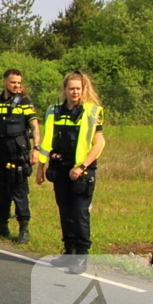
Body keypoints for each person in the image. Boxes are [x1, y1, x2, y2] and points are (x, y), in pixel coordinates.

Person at [36, 70, 106, 275]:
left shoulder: (92, 111)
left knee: (79, 213)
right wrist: (41, 167)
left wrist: (82, 166)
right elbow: (46, 141)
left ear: (83, 90)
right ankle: (68, 252)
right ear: (64, 90)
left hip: (81, 170)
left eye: (78, 88)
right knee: (65, 211)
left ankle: (81, 257)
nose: (75, 92)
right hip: (60, 167)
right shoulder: (54, 110)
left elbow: (99, 143)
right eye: (71, 88)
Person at [0, 69, 40, 244]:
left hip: (17, 153)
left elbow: (34, 125)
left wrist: (36, 149)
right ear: (5, 82)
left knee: (19, 191)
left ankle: (23, 229)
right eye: (13, 82)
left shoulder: (25, 102)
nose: (16, 86)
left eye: (19, 82)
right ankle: (2, 226)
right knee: (1, 191)